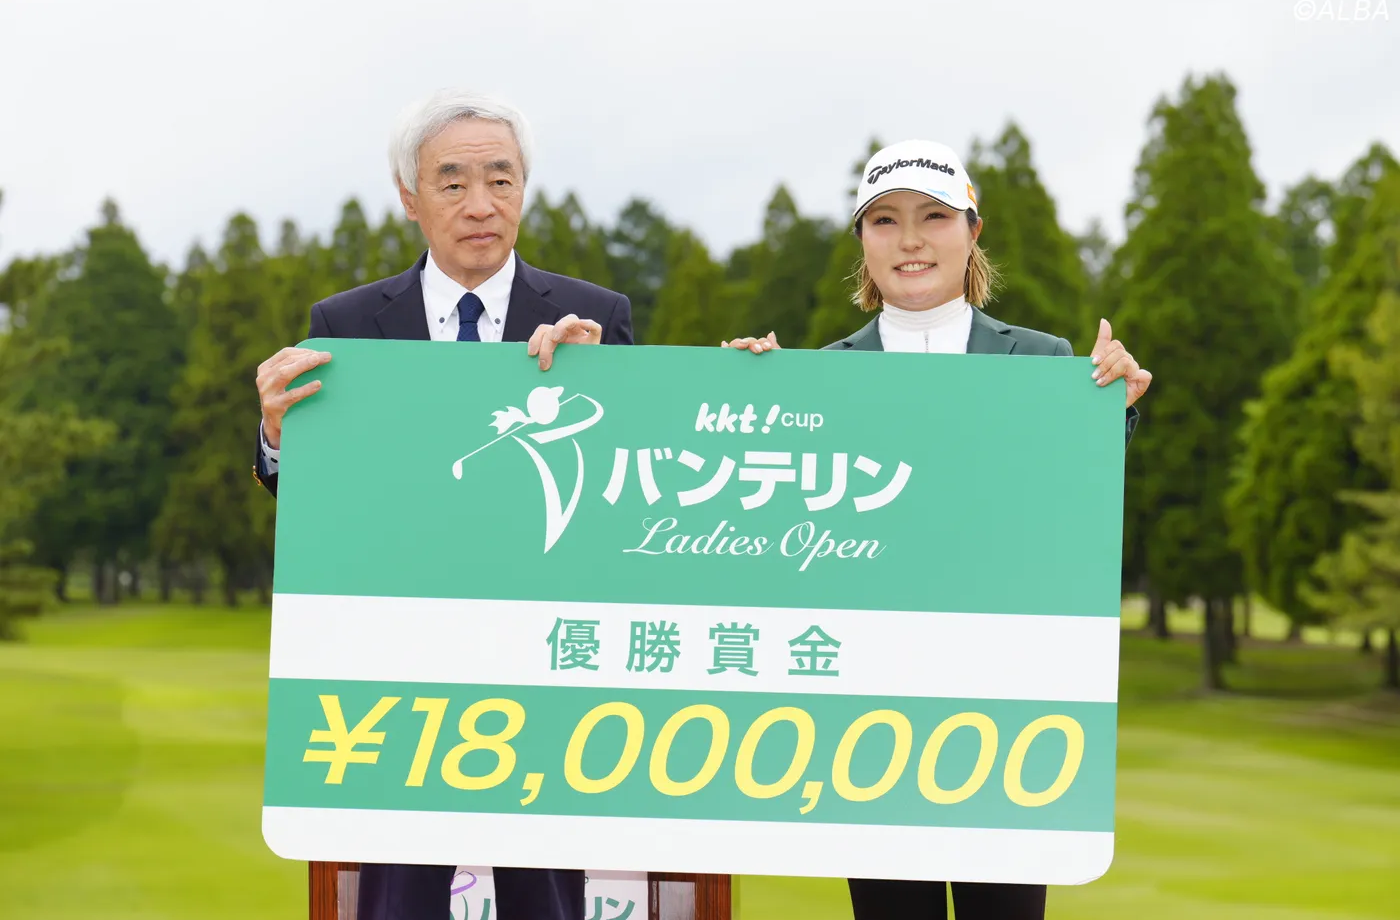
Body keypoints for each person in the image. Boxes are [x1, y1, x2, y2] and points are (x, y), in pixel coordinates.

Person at [724, 139, 1151, 920]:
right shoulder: (818, 377)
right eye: (885, 220)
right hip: (866, 725)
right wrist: (737, 399)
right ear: (862, 240)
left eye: (934, 216)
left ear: (972, 231)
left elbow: (1068, 516)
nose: (910, 239)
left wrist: (1108, 414)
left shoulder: (1045, 363)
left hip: (1009, 712)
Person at [252, 89, 632, 920]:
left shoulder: (596, 320)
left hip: (544, 666)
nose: (480, 204)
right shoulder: (346, 323)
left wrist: (610, 391)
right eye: (453, 182)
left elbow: (629, 492)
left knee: (545, 899)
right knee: (400, 896)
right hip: (399, 665)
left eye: (500, 178)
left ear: (524, 188)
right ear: (409, 197)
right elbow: (316, 498)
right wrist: (278, 435)